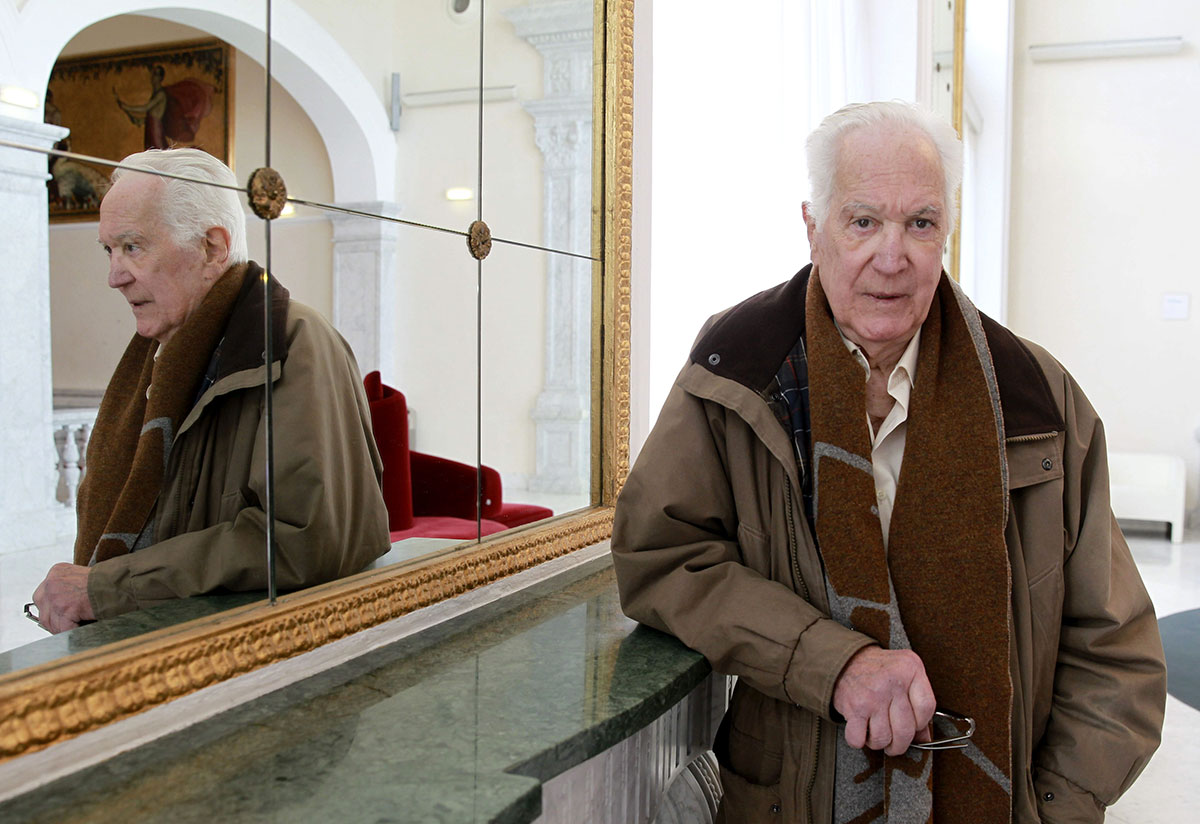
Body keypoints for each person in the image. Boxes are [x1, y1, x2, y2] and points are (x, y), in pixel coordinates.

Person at [611, 102, 1166, 823]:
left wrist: (1053, 808)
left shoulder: (1039, 400)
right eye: (864, 220)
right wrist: (832, 662)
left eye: (921, 223)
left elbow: (1116, 652)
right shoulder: (737, 372)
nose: (892, 256)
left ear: (947, 235)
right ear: (814, 228)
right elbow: (663, 556)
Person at [31, 148, 390, 633]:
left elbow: (312, 537)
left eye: (133, 247)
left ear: (213, 249)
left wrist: (108, 587)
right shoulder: (162, 348)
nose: (113, 276)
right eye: (108, 250)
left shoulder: (293, 341)